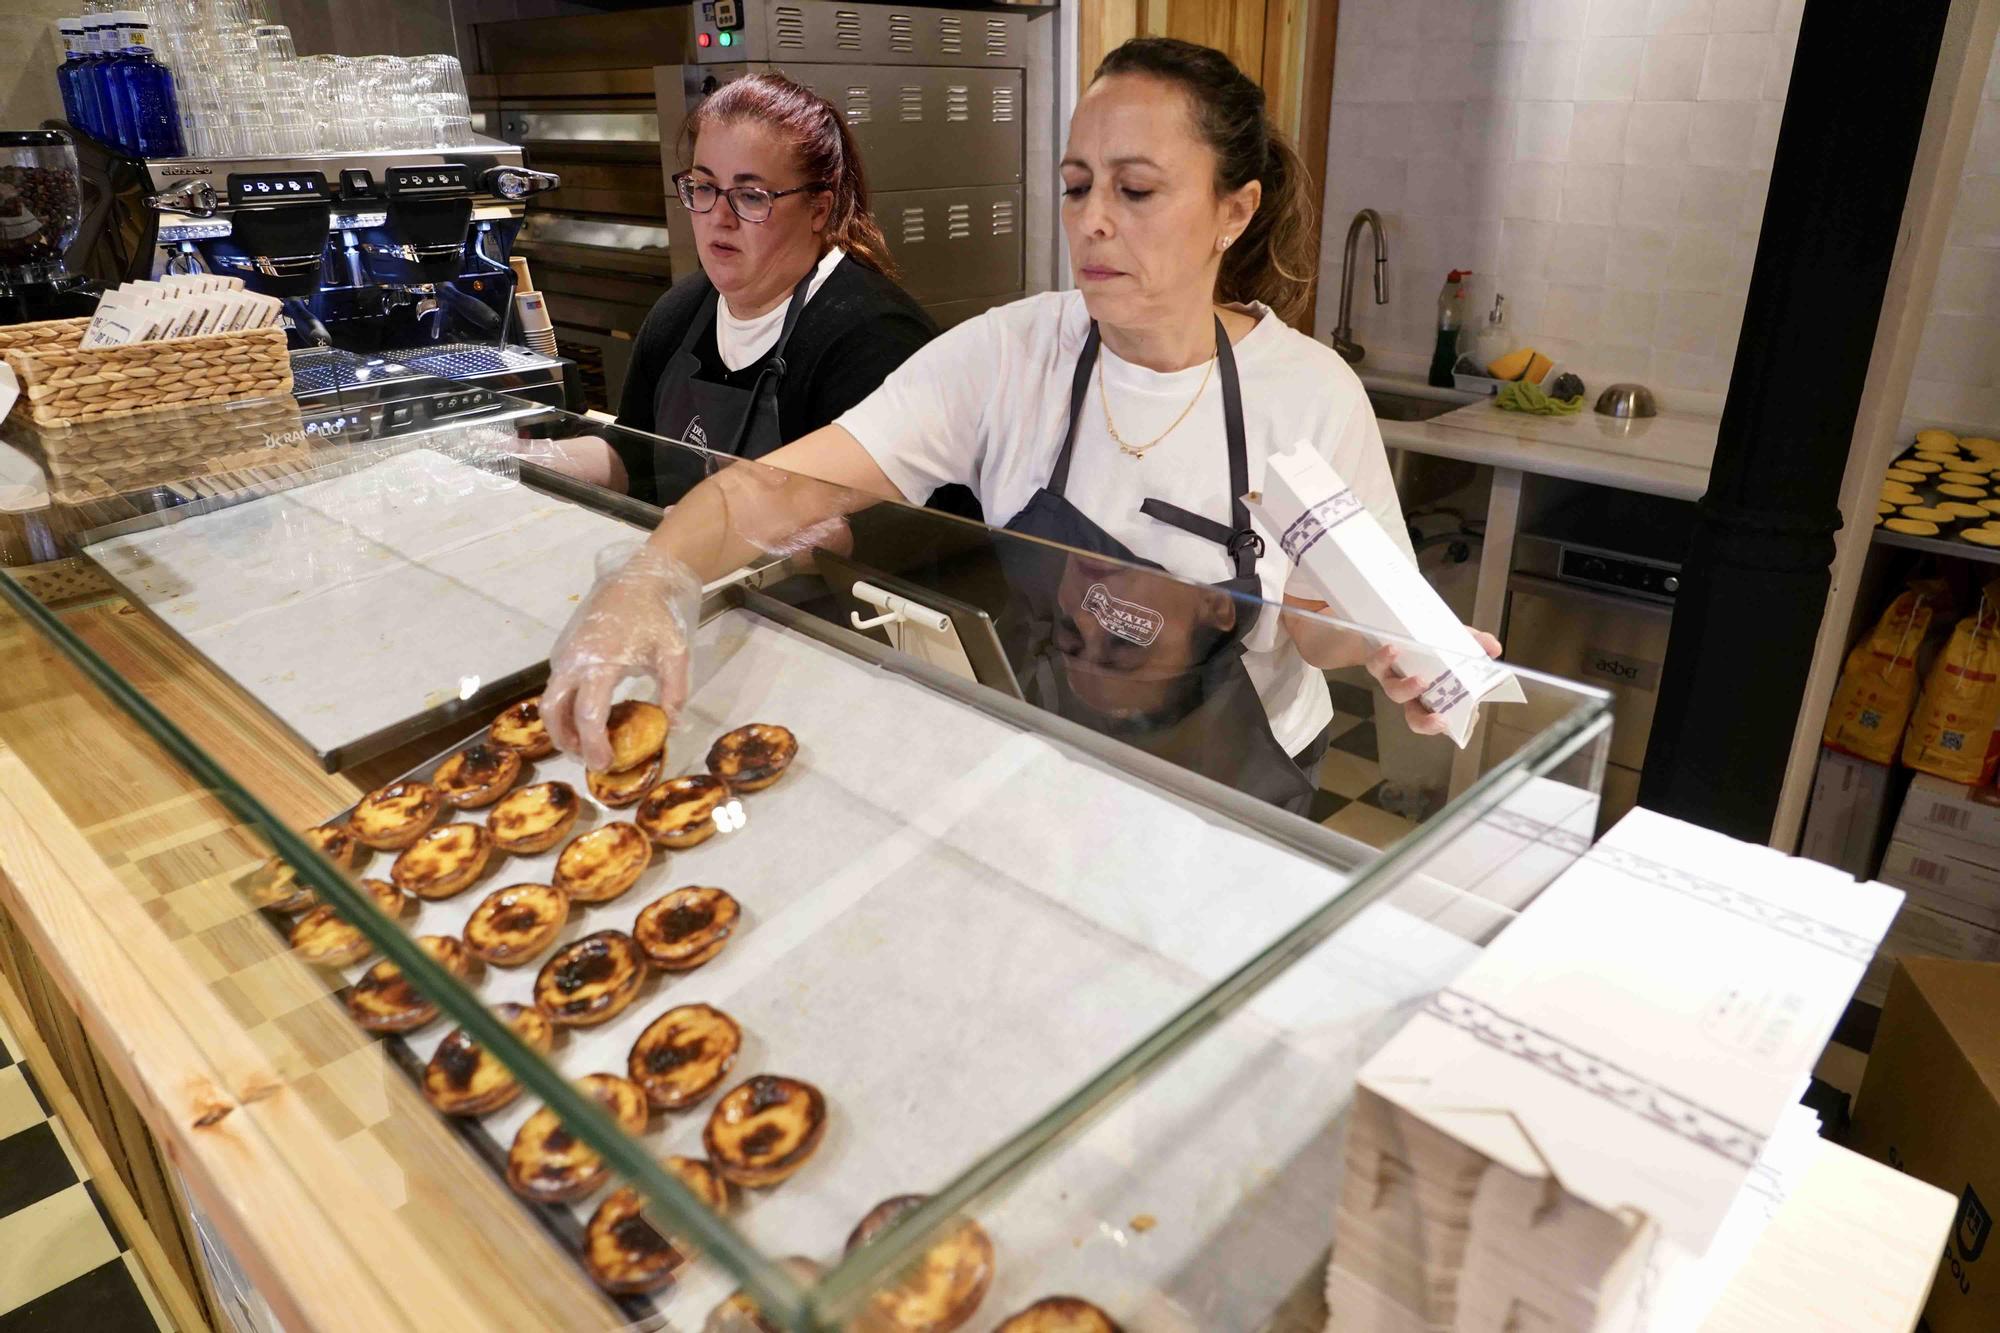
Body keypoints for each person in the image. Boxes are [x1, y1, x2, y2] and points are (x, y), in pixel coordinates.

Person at [541, 37, 1498, 814]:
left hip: (1233, 799)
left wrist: (1390, 643)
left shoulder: (1310, 392)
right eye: (1078, 185)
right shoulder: (1009, 355)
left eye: (1136, 189)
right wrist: (648, 575)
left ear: (1232, 211)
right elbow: (782, 485)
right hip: (1050, 764)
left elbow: (1325, 631)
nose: (1092, 222)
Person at [594, 72, 936, 503]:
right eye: (703, 187)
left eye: (751, 196)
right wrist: (529, 457)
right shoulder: (679, 313)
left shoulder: (875, 340)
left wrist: (700, 537)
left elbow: (877, 531)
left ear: (819, 209)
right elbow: (635, 451)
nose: (719, 217)